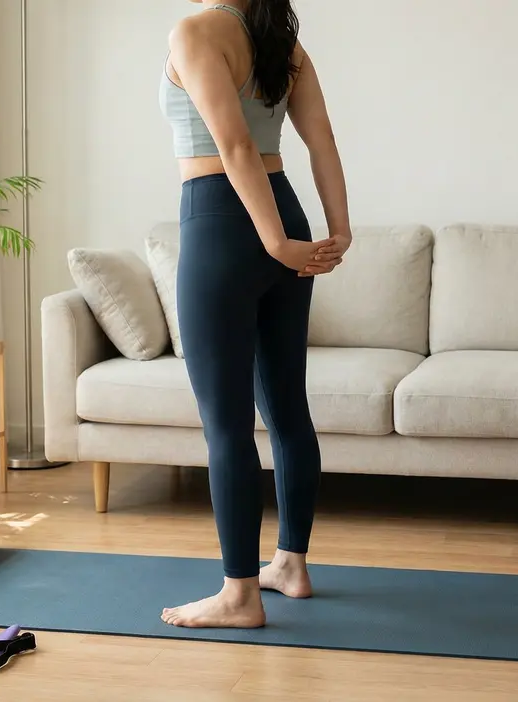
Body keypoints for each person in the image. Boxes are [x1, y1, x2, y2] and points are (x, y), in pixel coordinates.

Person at [158, 0, 351, 629]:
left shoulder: (194, 31)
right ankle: (290, 564)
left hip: (221, 223)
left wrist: (272, 242)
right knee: (287, 408)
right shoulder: (283, 44)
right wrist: (338, 229)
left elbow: (234, 143)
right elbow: (321, 140)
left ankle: (239, 595)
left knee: (227, 424)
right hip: (286, 210)